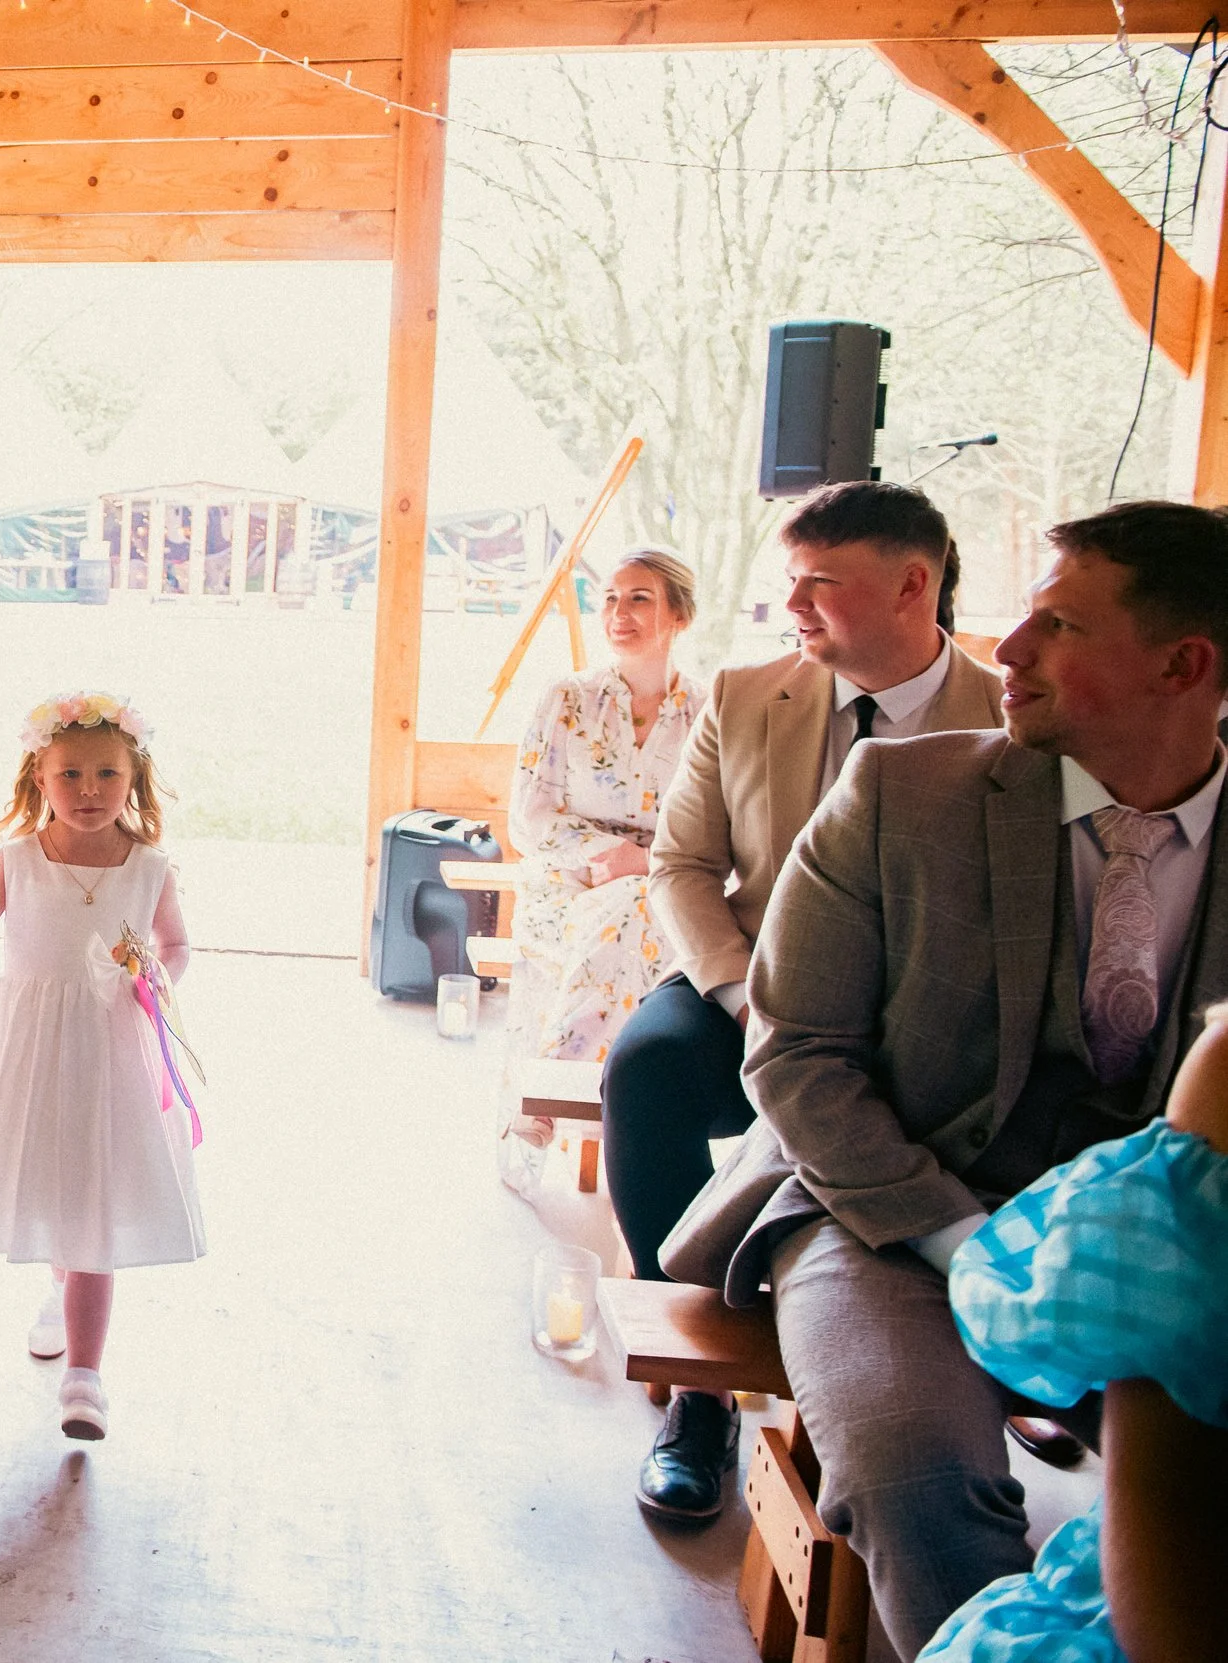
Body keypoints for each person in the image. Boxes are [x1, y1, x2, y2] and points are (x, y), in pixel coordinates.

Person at [660, 499, 1228, 1655]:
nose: (1006, 649)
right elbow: (797, 1056)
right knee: (918, 1477)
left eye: (1058, 625)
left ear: (1184, 664)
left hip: (1178, 1251)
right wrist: (961, 1241)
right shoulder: (894, 798)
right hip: (890, 1222)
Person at [608, 481, 1003, 1524]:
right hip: (750, 986)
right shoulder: (744, 697)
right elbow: (680, 865)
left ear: (913, 585)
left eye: (820, 585)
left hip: (921, 1018)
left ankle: (940, 1373)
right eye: (789, 582)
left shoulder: (1006, 717)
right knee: (642, 1069)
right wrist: (740, 990)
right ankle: (698, 1395)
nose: (794, 606)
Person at [0, 692, 198, 1442]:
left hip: (110, 1051)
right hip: (29, 1049)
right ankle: (62, 1290)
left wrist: (157, 976)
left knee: (93, 1209)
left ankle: (85, 1376)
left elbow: (176, 943)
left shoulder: (150, 867)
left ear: (135, 777)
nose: (90, 790)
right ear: (39, 775)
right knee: (50, 1189)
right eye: (71, 774)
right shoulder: (16, 862)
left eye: (108, 773)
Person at [916, 1013, 1228, 1662]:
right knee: (909, 1463)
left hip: (1078, 1232)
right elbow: (804, 1060)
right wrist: (963, 1242)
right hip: (912, 1206)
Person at [508, 548, 698, 1063]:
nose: (619, 612)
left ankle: (555, 1079)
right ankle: (609, 1098)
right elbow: (529, 820)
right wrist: (607, 853)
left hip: (661, 887)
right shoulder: (566, 699)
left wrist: (644, 863)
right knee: (626, 919)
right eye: (610, 598)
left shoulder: (708, 715)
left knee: (637, 909)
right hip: (564, 883)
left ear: (680, 615)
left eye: (640, 598)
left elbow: (723, 830)